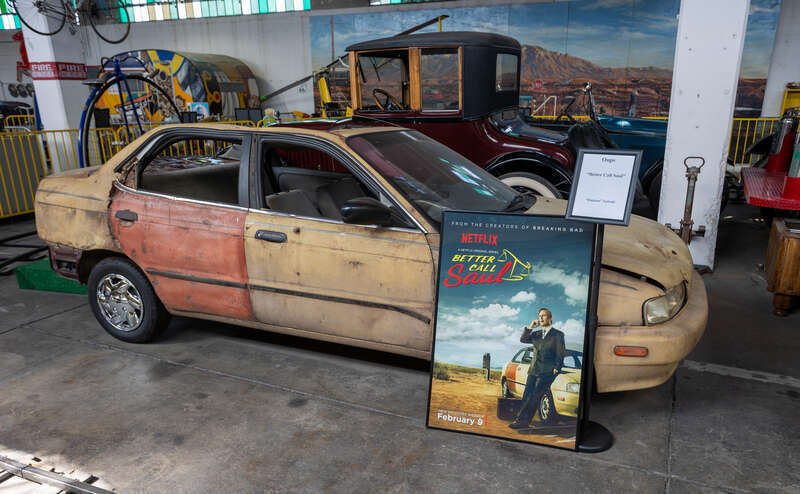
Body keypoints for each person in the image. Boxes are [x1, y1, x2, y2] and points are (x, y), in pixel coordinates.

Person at [509, 308, 565, 429]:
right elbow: (523, 339)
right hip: (533, 370)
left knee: (535, 396)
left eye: (544, 316)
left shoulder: (558, 335)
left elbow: (560, 353)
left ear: (550, 318)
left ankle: (523, 421)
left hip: (547, 371)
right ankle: (521, 420)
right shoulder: (536, 334)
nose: (541, 318)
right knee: (527, 395)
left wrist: (557, 368)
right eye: (539, 316)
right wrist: (530, 328)